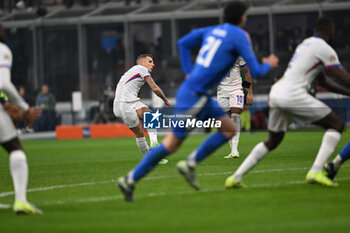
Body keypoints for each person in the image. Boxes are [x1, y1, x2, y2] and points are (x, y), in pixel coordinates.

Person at [117, 1, 278, 202]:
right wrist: (269, 64)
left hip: (199, 93)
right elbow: (256, 69)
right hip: (195, 95)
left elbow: (182, 43)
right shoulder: (240, 36)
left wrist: (187, 72)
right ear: (243, 17)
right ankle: (130, 179)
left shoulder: (214, 30)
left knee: (229, 129)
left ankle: (190, 164)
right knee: (172, 143)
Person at [226, 17, 350, 189]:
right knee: (336, 125)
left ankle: (235, 177)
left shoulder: (305, 45)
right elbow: (341, 74)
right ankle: (315, 171)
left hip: (277, 92)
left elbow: (324, 82)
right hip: (293, 95)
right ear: (331, 32)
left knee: (273, 140)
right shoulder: (324, 48)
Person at [0, 24, 42, 214]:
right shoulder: (2, 50)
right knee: (15, 148)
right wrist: (24, 108)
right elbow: (3, 83)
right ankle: (20, 201)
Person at [113, 54, 171, 164]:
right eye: (150, 61)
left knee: (151, 116)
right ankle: (150, 159)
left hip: (130, 101)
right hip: (123, 105)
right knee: (139, 132)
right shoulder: (141, 69)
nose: (153, 64)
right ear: (142, 62)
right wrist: (166, 100)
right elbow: (154, 88)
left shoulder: (135, 70)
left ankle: (154, 145)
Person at [217, 56, 254, 158]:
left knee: (235, 115)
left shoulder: (238, 54)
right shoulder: (216, 53)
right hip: (221, 91)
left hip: (236, 89)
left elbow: (246, 72)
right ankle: (232, 150)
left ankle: (234, 150)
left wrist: (249, 92)